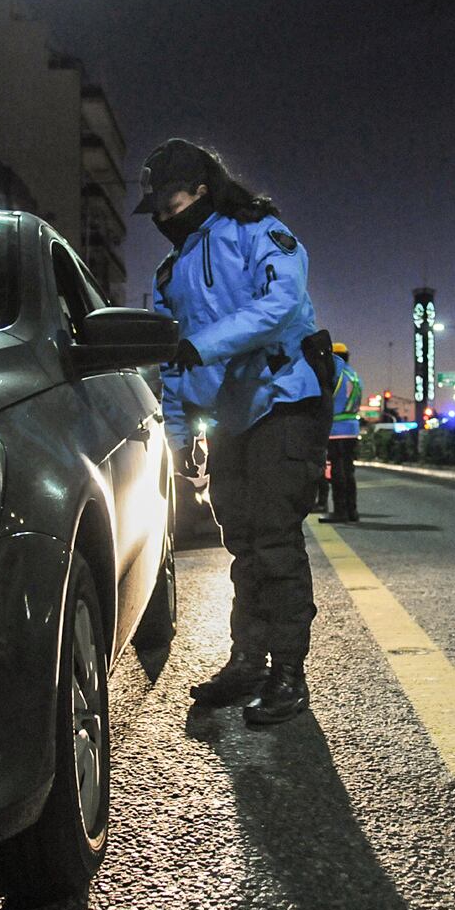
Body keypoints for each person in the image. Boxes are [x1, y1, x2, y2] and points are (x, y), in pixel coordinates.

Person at [136, 137, 332, 726]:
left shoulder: (259, 231)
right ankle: (248, 661)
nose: (166, 220)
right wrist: (177, 439)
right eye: (159, 213)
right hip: (228, 416)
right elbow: (174, 362)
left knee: (273, 539)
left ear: (201, 190)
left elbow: (282, 304)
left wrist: (205, 344)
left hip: (286, 400)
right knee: (243, 544)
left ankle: (289, 673)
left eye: (174, 205)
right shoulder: (169, 274)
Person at [320, 342, 362, 524]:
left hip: (336, 430)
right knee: (348, 471)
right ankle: (352, 511)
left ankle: (340, 511)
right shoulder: (353, 375)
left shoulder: (335, 373)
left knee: (337, 472)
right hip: (352, 430)